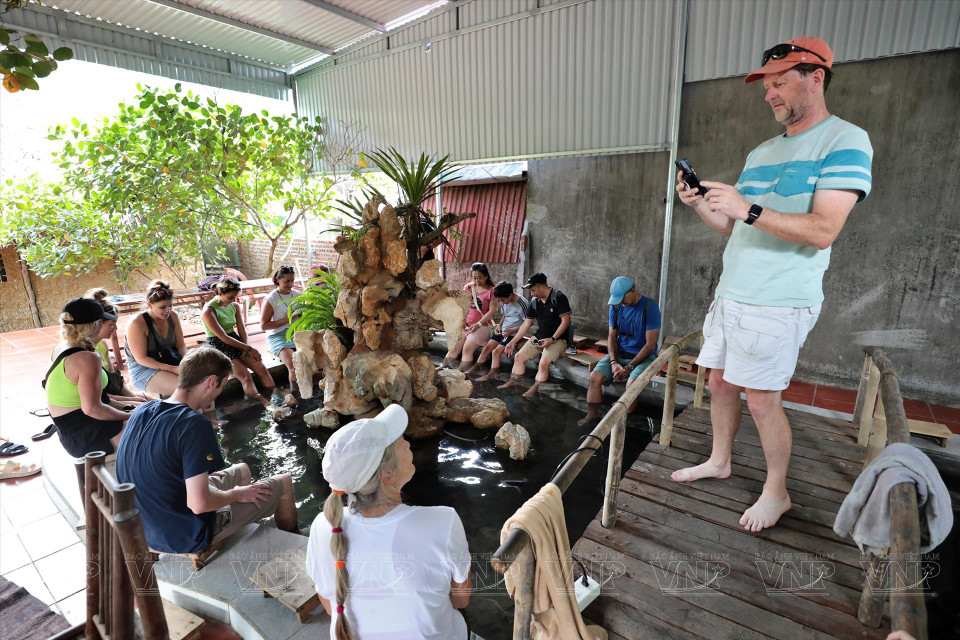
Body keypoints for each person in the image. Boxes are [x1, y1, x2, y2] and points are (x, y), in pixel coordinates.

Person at [672, 37, 872, 533]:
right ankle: (720, 460)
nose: (770, 95)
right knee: (718, 382)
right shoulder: (761, 151)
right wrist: (701, 204)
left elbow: (824, 230)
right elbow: (735, 225)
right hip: (732, 291)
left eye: (780, 83)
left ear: (816, 77)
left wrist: (748, 207)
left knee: (762, 399)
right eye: (766, 85)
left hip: (778, 299)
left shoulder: (845, 140)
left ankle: (776, 491)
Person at [306, 405, 471, 640]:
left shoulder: (325, 525)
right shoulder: (443, 522)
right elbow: (461, 600)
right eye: (399, 442)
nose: (407, 443)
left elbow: (331, 606)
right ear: (388, 475)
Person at [116, 347, 299, 554]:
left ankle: (239, 532)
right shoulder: (194, 423)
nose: (218, 394)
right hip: (182, 535)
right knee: (284, 483)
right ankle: (297, 548)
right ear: (212, 382)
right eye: (220, 387)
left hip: (142, 526)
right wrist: (234, 494)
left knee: (243, 470)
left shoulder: (144, 409)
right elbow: (199, 504)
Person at [45, 298, 132, 458]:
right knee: (159, 428)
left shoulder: (61, 348)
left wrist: (129, 407)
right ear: (94, 324)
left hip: (70, 434)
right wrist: (130, 416)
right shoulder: (87, 358)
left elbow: (95, 401)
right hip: (87, 436)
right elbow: (93, 408)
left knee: (149, 413)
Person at [578, 277, 661, 427]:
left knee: (631, 384)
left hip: (644, 357)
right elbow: (611, 337)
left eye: (622, 298)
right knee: (594, 377)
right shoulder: (615, 307)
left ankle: (623, 423)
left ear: (633, 291)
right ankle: (592, 415)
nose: (620, 302)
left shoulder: (650, 308)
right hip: (620, 354)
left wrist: (630, 367)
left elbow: (650, 345)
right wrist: (613, 361)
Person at [498, 272, 573, 398]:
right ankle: (514, 382)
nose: (531, 294)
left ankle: (536, 388)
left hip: (558, 339)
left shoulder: (559, 297)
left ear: (541, 286)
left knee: (543, 363)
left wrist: (552, 339)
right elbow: (526, 324)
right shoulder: (534, 301)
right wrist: (512, 342)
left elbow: (566, 322)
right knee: (519, 357)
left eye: (533, 290)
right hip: (540, 336)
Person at [201, 277, 275, 398]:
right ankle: (263, 404)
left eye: (235, 297)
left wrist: (245, 349)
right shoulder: (208, 310)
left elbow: (241, 328)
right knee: (246, 377)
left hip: (235, 340)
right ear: (220, 293)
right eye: (230, 297)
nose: (233, 300)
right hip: (218, 344)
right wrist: (247, 349)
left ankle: (274, 398)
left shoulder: (235, 306)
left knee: (261, 369)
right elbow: (223, 337)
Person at [84, 288, 149, 404]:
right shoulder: (85, 354)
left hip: (113, 396)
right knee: (150, 410)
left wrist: (133, 397)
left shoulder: (102, 346)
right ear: (97, 324)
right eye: (111, 325)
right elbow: (98, 397)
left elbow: (115, 381)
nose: (116, 329)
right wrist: (132, 400)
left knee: (159, 404)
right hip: (103, 402)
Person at [124, 280, 187, 398]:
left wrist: (186, 362)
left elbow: (181, 346)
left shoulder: (173, 316)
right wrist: (172, 369)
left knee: (203, 383)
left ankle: (207, 415)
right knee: (186, 389)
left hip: (169, 359)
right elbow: (141, 359)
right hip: (143, 368)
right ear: (149, 305)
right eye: (162, 307)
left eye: (170, 306)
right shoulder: (137, 323)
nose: (168, 310)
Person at [439, 262, 499, 371]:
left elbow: (491, 311)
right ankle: (442, 367)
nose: (477, 281)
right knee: (453, 347)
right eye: (474, 278)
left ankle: (461, 372)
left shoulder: (492, 291)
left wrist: (479, 324)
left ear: (486, 276)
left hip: (482, 326)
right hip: (466, 325)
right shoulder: (468, 288)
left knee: (467, 349)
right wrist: (460, 321)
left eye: (479, 278)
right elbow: (462, 305)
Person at [464, 281, 528, 381]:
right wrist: (499, 325)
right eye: (499, 300)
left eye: (502, 300)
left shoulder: (522, 304)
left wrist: (511, 331)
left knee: (496, 352)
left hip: (513, 333)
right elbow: (505, 315)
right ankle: (474, 368)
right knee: (486, 349)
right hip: (503, 330)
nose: (501, 302)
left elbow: (527, 324)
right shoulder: (503, 300)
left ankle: (490, 375)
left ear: (510, 295)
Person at [260, 265, 302, 389]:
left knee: (309, 361)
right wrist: (288, 319)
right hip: (277, 335)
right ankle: (295, 394)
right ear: (278, 280)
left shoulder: (298, 295)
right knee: (293, 365)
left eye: (292, 281)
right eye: (286, 281)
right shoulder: (271, 299)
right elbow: (264, 325)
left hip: (296, 332)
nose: (290, 284)